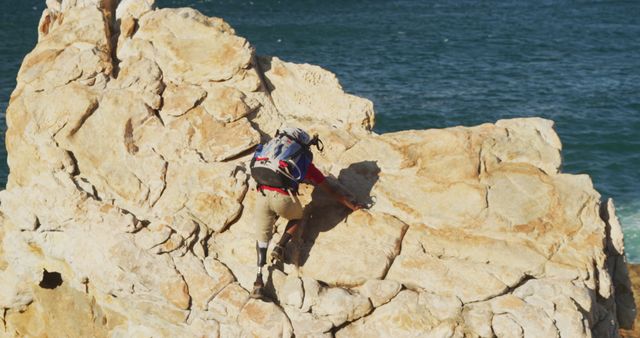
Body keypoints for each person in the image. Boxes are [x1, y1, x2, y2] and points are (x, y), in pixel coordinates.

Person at [249, 127, 363, 298]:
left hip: (262, 195)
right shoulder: (302, 162)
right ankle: (280, 246)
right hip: (282, 198)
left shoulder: (268, 152)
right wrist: (351, 205)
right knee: (298, 216)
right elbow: (330, 190)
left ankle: (258, 280)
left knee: (262, 237)